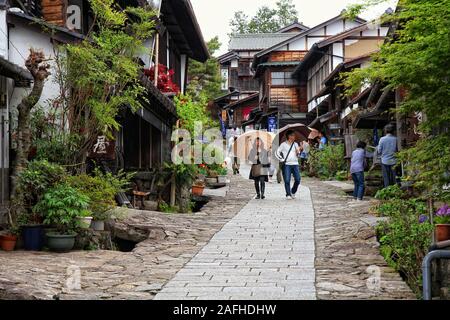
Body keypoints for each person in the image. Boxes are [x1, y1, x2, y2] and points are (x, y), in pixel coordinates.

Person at [276, 130, 302, 200]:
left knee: (298, 179)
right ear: (289, 136)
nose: (294, 137)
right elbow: (277, 152)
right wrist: (281, 159)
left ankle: (293, 191)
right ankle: (288, 194)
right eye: (293, 135)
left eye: (294, 135)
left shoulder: (296, 144)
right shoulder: (283, 144)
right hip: (287, 164)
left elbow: (298, 155)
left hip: (295, 164)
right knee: (287, 180)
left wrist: (298, 152)